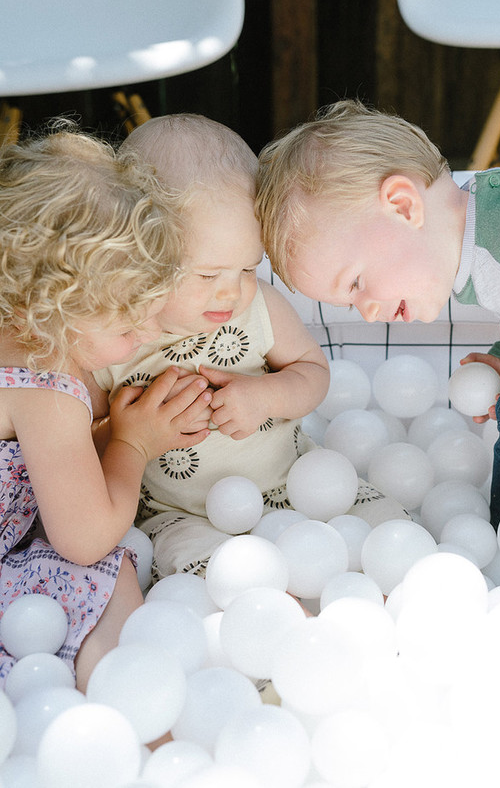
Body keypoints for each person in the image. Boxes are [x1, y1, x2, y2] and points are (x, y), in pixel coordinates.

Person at [92, 114, 409, 581]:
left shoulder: (259, 307)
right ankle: (273, 607)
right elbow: (79, 442)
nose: (231, 292)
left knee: (390, 529)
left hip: (297, 484)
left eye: (247, 268)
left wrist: (266, 396)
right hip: (181, 512)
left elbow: (313, 372)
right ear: (135, 253)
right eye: (207, 274)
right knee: (208, 569)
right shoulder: (113, 338)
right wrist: (130, 432)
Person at [256, 98, 500, 529]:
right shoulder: (471, 252)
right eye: (351, 305)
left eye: (356, 284)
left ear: (403, 206)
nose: (368, 314)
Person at [0, 127, 212, 692]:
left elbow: (34, 467)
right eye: (129, 327)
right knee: (105, 573)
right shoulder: (45, 383)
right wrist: (131, 444)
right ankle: (127, 707)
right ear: (51, 312)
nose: (150, 335)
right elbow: (85, 536)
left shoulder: (17, 338)